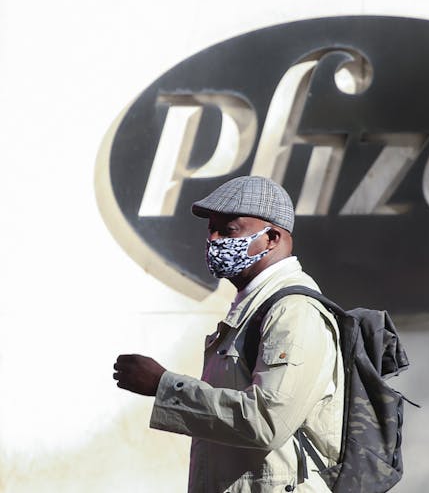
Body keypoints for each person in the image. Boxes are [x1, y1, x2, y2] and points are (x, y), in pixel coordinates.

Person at [113, 176, 344, 493]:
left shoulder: (294, 311)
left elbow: (267, 420)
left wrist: (164, 385)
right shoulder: (254, 308)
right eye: (211, 229)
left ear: (272, 237)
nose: (214, 239)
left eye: (229, 230)